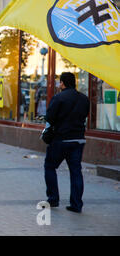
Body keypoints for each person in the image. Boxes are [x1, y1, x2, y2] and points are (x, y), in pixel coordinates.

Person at [44, 72, 90, 213]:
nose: (59, 85)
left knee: (50, 166)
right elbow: (85, 115)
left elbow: (50, 118)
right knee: (76, 171)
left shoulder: (59, 98)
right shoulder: (84, 99)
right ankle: (76, 204)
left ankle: (53, 199)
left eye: (60, 82)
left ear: (63, 83)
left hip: (61, 139)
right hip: (78, 139)